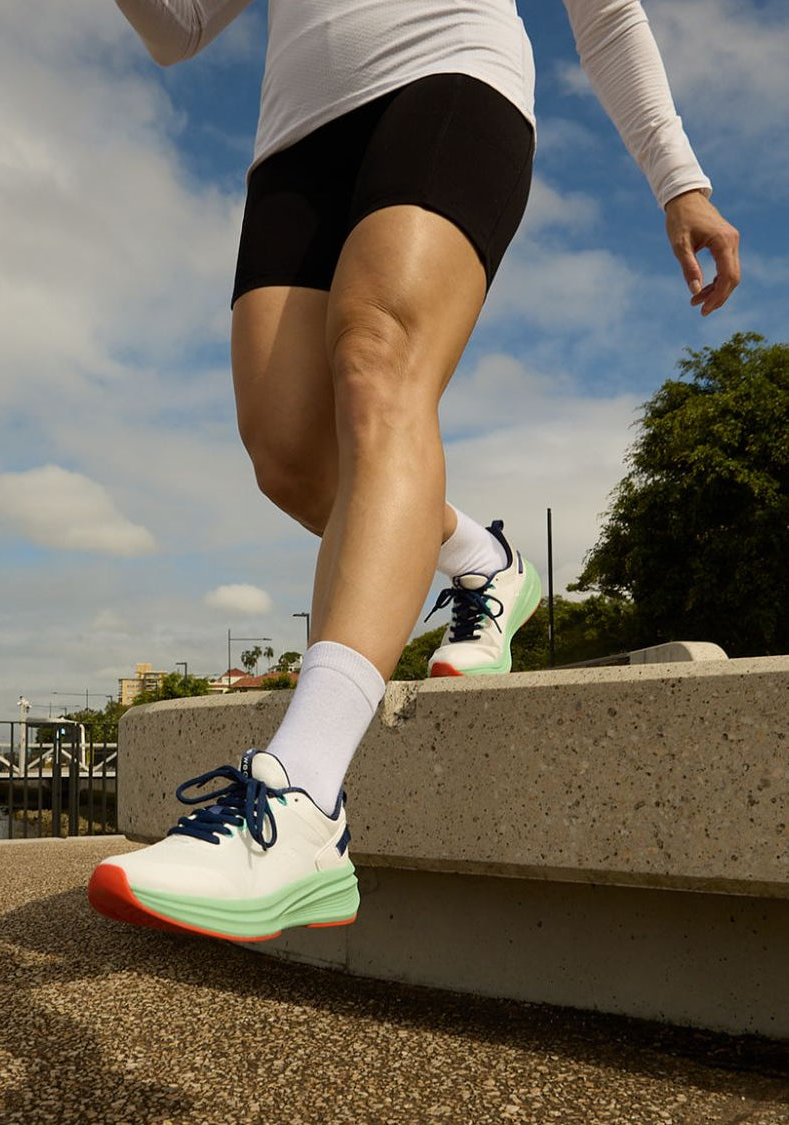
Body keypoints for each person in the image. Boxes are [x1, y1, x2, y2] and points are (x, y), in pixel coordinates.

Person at [88, 0, 740, 941]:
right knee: (291, 457)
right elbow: (178, 28)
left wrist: (679, 178)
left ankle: (304, 797)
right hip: (296, 140)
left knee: (377, 354)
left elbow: (606, 16)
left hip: (447, 71)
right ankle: (482, 557)